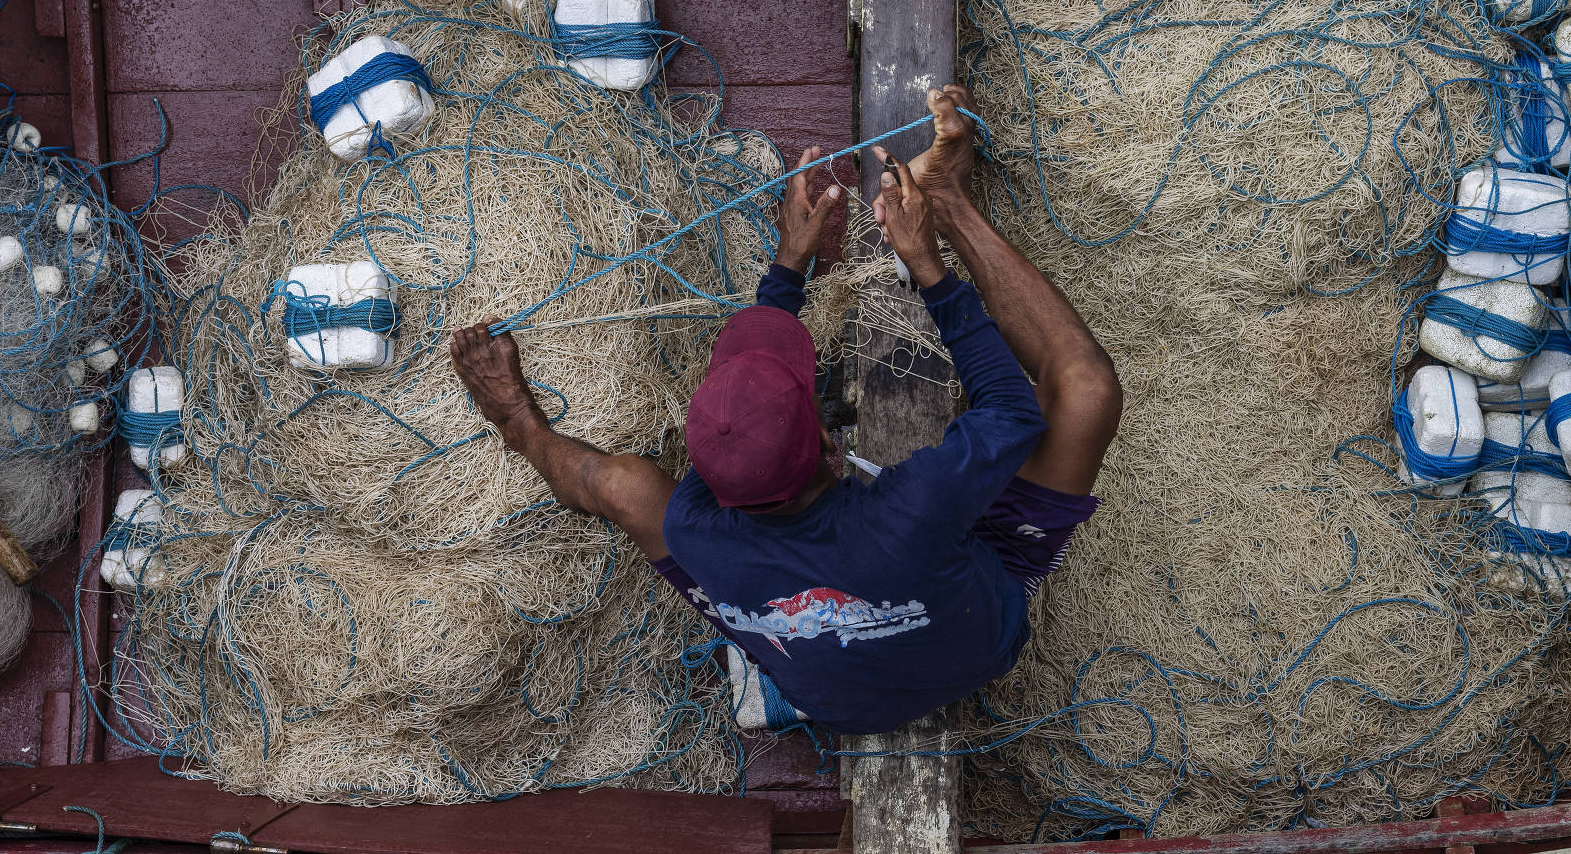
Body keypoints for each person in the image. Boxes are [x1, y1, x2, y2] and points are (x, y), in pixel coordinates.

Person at [448, 86, 1121, 735]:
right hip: (980, 636)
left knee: (617, 486)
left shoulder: (698, 532)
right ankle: (947, 198)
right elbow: (1011, 407)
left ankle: (516, 426)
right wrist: (928, 266)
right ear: (832, 446)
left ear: (707, 474)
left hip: (840, 701)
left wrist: (788, 267)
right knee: (1084, 390)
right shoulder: (919, 503)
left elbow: (593, 482)